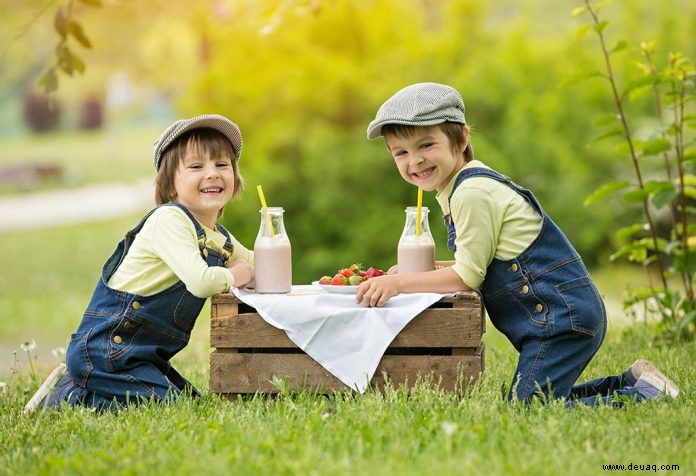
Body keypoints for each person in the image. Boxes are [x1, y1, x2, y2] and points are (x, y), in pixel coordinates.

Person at [356, 82, 680, 407]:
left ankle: (646, 396)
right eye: (401, 152)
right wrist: (430, 269)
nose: (415, 161)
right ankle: (630, 383)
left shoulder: (471, 193)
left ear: (462, 138)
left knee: (528, 407)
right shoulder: (467, 183)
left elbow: (467, 278)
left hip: (558, 319)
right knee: (538, 399)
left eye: (426, 145)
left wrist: (399, 284)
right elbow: (479, 261)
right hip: (562, 311)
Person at [24, 114, 255, 412]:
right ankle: (69, 396)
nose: (212, 173)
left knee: (190, 403)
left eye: (222, 165)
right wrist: (236, 274)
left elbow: (257, 264)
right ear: (169, 184)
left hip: (142, 355)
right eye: (197, 166)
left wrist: (271, 248)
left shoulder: (218, 237)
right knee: (171, 407)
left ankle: (81, 385)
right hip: (106, 350)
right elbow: (202, 282)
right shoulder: (168, 220)